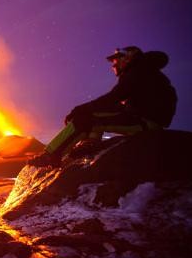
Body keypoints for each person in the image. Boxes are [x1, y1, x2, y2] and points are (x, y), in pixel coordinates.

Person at [29, 46, 177, 167]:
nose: (113, 66)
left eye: (115, 60)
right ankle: (91, 144)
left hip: (144, 122)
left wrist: (81, 109)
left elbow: (113, 98)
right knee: (94, 115)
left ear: (127, 58)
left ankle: (51, 156)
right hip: (144, 119)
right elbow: (118, 104)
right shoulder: (146, 72)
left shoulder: (137, 72)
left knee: (84, 121)